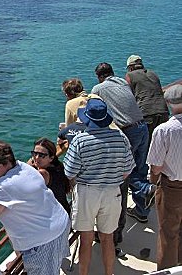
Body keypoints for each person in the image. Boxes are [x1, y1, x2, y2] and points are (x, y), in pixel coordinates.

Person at [0, 140, 70, 275]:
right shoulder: (24, 167)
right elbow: (16, 188)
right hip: (61, 223)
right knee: (53, 267)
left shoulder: (3, 186)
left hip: (43, 241)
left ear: (6, 162)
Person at [64, 98, 135, 275]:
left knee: (86, 239)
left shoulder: (80, 141)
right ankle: (109, 273)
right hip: (112, 193)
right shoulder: (121, 138)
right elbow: (127, 171)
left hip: (87, 193)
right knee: (107, 238)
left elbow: (69, 173)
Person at [92, 62, 154, 241]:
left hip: (128, 131)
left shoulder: (98, 88)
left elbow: (97, 112)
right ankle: (142, 211)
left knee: (123, 174)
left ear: (99, 76)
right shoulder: (122, 82)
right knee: (140, 169)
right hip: (142, 127)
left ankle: (144, 190)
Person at [146, 84, 182, 270]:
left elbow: (156, 166)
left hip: (172, 187)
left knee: (169, 232)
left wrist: (153, 181)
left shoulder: (163, 130)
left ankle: (168, 270)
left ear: (168, 103)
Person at [125, 55, 169, 139]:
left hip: (147, 113)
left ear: (130, 67)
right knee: (162, 140)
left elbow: (129, 96)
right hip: (163, 111)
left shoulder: (129, 75)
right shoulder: (153, 73)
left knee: (148, 143)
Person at [27, 137, 71, 214]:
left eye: (41, 155)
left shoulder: (42, 173)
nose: (36, 158)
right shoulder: (58, 166)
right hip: (64, 211)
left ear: (51, 158)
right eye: (35, 153)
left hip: (55, 217)